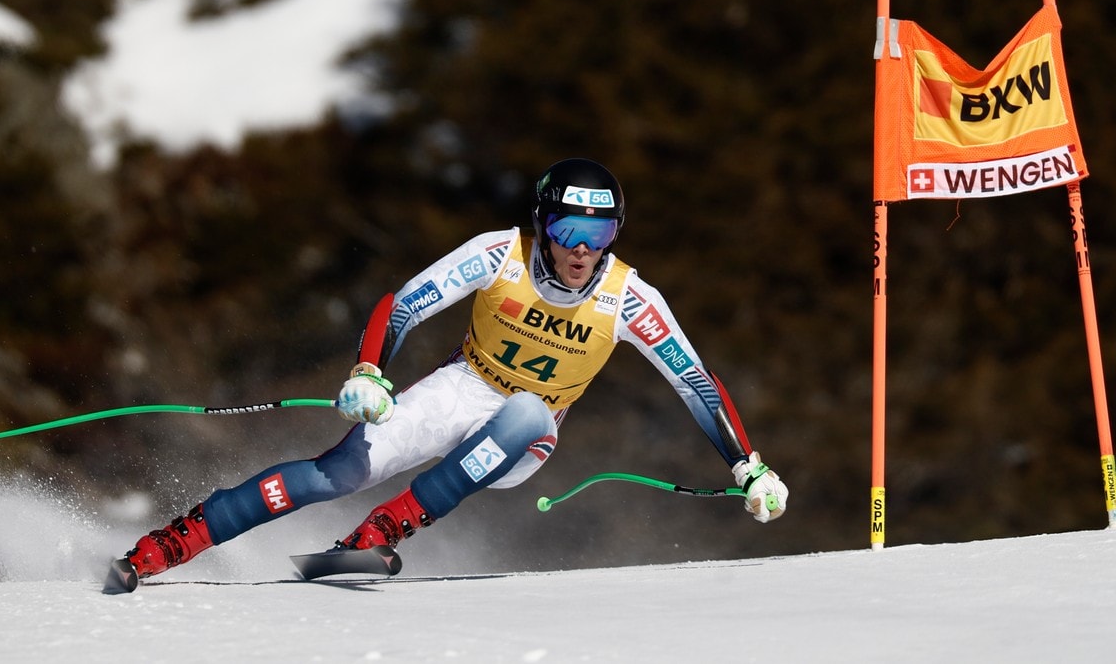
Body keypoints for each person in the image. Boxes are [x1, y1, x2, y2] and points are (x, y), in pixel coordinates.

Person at [116, 157, 789, 582]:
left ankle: (382, 531)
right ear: (541, 224)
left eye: (600, 235)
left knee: (528, 410)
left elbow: (697, 385)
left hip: (531, 429)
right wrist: (370, 371)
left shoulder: (633, 299)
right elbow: (402, 304)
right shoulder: (500, 255)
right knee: (338, 470)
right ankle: (171, 543)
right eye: (566, 231)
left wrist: (747, 464)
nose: (581, 252)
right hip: (463, 385)